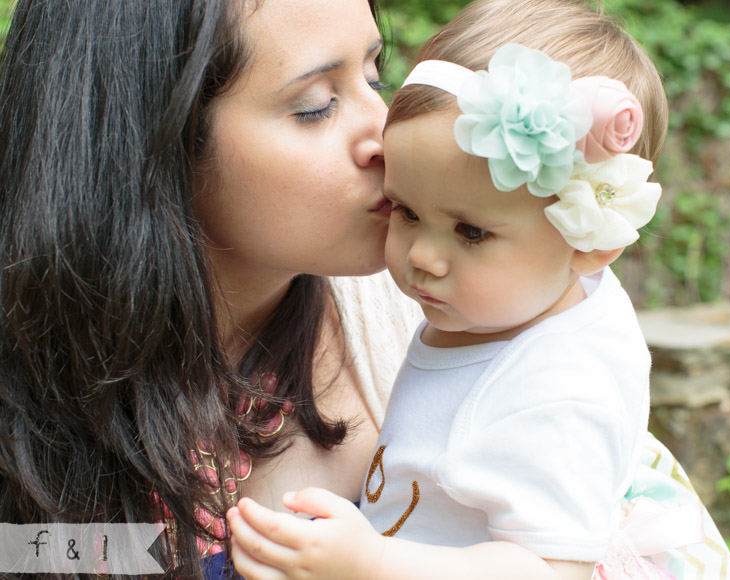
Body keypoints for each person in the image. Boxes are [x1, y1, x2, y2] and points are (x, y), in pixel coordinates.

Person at [226, 1, 730, 579]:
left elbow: (551, 570)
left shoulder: (558, 390)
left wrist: (372, 562)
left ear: (591, 241)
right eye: (406, 211)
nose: (421, 255)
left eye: (472, 232)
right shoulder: (520, 298)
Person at [0, 0, 419, 578]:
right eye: (316, 106)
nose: (386, 135)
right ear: (150, 144)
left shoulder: (443, 317)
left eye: (376, 77)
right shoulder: (28, 391)